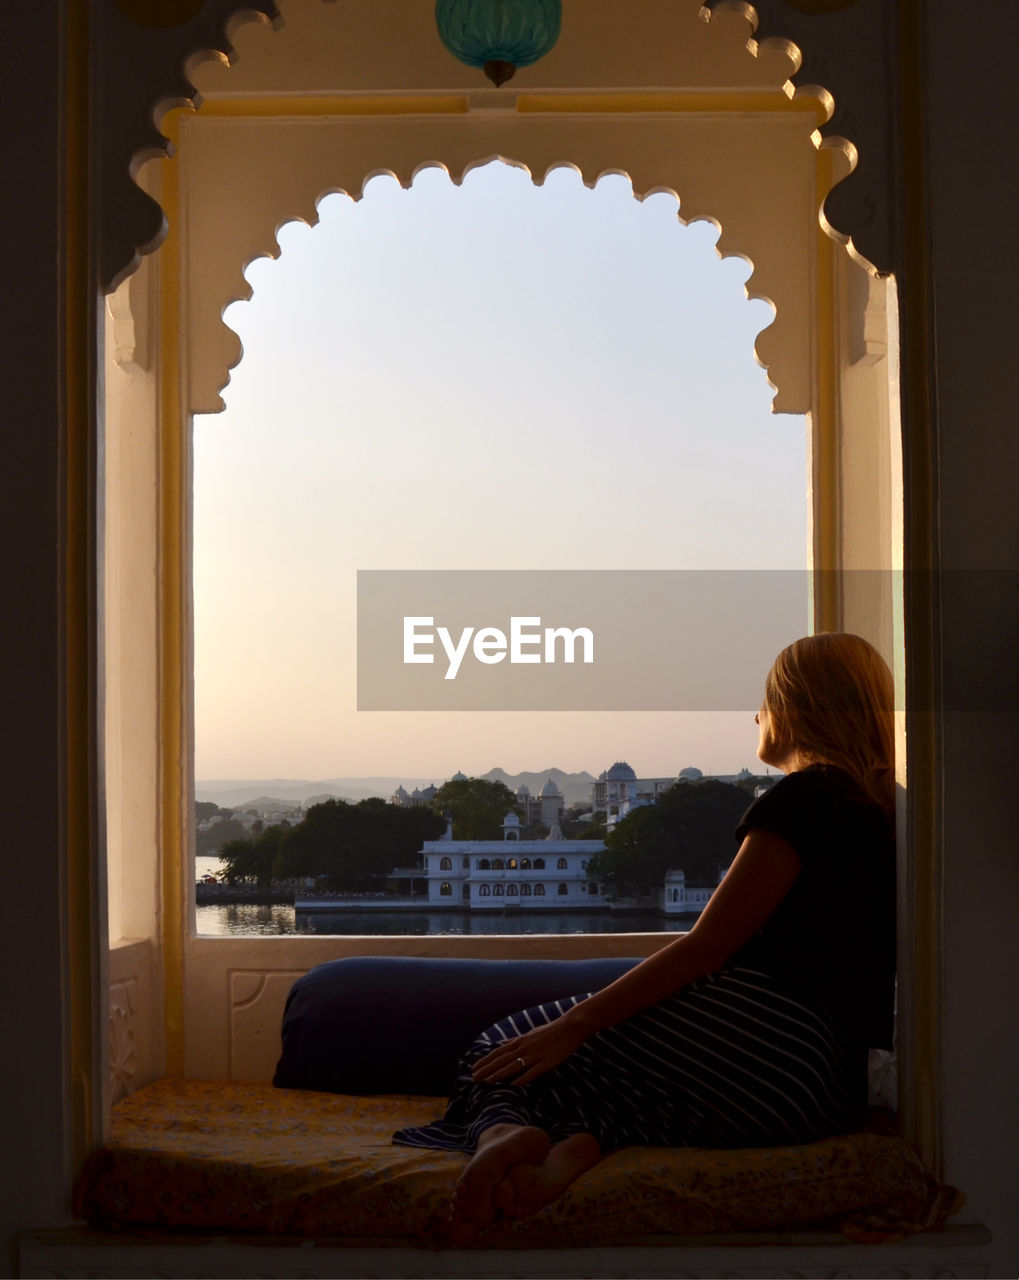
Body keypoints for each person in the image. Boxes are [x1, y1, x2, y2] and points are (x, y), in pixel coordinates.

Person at [393, 633, 897, 1245]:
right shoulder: (879, 810)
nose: (758, 715)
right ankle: (566, 1151)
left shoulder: (806, 797)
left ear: (798, 706)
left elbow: (706, 945)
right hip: (817, 1094)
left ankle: (502, 1135)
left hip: (771, 1038)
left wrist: (576, 1023)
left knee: (501, 1050)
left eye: (767, 700)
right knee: (609, 1088)